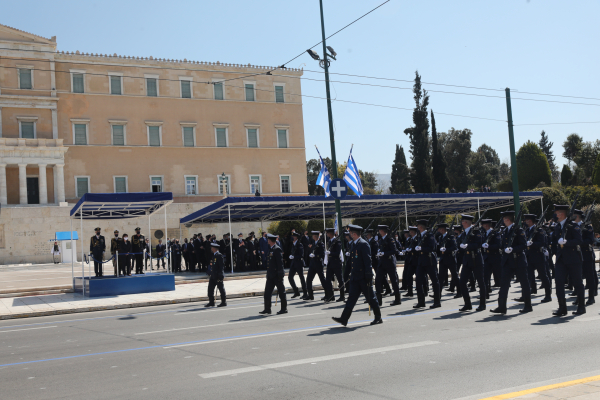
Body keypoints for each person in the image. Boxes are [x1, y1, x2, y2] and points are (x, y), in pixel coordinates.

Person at [332, 224, 382, 327]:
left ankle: (378, 317)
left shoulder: (364, 244)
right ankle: (344, 319)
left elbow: (368, 261)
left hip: (363, 278)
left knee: (371, 298)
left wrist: (369, 276)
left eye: (350, 233)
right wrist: (348, 274)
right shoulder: (353, 244)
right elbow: (352, 261)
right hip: (355, 277)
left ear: (354, 234)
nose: (349, 235)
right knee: (351, 298)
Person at [490, 210, 532, 315]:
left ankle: (528, 305)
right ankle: (501, 307)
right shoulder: (505, 231)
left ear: (508, 220)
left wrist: (512, 249)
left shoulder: (519, 230)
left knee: (524, 283)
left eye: (504, 219)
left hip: (518, 260)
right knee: (504, 284)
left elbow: (523, 245)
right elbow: (502, 244)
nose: (503, 221)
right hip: (507, 261)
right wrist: (504, 248)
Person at [457, 215, 486, 312]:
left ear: (466, 222)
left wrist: (468, 245)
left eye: (463, 221)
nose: (461, 223)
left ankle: (482, 304)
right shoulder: (464, 233)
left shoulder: (476, 231)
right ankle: (468, 304)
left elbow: (478, 244)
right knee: (462, 282)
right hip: (467, 260)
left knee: (481, 283)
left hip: (476, 259)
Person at [523, 214, 552, 303]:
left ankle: (548, 295)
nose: (525, 222)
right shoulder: (527, 230)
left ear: (530, 221)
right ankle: (526, 294)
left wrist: (532, 244)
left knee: (543, 276)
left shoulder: (539, 231)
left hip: (538, 256)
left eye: (527, 220)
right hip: (529, 256)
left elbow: (542, 243)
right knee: (528, 276)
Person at [413, 220, 441, 309]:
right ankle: (421, 302)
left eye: (417, 226)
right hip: (421, 261)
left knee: (434, 281)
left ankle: (437, 302)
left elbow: (433, 247)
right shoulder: (419, 235)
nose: (417, 227)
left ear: (420, 227)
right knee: (418, 281)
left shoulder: (430, 235)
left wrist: (422, 248)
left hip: (429, 261)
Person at [574, 210, 597, 306]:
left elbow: (590, 240)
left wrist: (579, 241)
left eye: (574, 215)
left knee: (589, 277)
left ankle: (591, 297)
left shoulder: (588, 227)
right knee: (577, 278)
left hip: (586, 254)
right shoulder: (572, 226)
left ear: (578, 216)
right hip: (576, 255)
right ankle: (579, 298)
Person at [259, 234, 287, 315]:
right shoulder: (270, 249)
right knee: (267, 292)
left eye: (268, 240)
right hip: (271, 275)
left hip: (277, 275)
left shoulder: (277, 249)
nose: (267, 241)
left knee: (282, 292)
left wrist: (280, 274)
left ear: (270, 241)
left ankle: (284, 309)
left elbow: (280, 263)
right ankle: (267, 309)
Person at [375, 225, 401, 306]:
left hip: (389, 262)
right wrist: (379, 253)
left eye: (380, 230)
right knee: (377, 280)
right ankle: (378, 301)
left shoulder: (390, 239)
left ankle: (397, 299)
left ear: (382, 231)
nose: (379, 232)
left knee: (394, 281)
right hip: (382, 263)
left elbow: (394, 251)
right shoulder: (381, 240)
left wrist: (384, 253)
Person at [304, 231, 334, 302]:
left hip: (318, 264)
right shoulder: (314, 243)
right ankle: (310, 295)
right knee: (308, 279)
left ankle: (327, 294)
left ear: (316, 236)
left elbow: (322, 254)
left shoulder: (321, 243)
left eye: (313, 235)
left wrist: (315, 255)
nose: (312, 236)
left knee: (322, 280)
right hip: (312, 264)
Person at [437, 223, 459, 297]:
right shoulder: (440, 237)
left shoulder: (451, 237)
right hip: (443, 259)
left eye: (439, 229)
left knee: (455, 276)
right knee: (440, 277)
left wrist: (446, 249)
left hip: (450, 259)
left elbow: (454, 247)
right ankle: (438, 294)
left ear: (442, 229)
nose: (438, 230)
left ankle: (459, 292)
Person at [324, 228, 346, 303]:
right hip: (330, 263)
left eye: (327, 233)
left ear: (330, 233)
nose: (327, 234)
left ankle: (342, 296)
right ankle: (331, 296)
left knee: (340, 280)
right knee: (327, 280)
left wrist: (330, 253)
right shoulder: (330, 241)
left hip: (336, 263)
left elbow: (337, 253)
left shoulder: (337, 241)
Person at [205, 243, 227, 307]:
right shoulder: (214, 255)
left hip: (218, 275)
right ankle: (211, 302)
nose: (211, 249)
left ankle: (223, 302)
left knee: (221, 289)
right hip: (213, 275)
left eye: (212, 248)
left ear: (214, 248)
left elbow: (221, 266)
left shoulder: (219, 255)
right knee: (210, 289)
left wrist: (220, 275)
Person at [288, 232, 307, 298]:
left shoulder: (299, 245)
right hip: (294, 263)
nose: (292, 237)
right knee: (290, 277)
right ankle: (296, 292)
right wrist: (291, 256)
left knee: (301, 278)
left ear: (296, 238)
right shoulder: (293, 244)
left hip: (299, 263)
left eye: (294, 236)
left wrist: (294, 257)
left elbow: (301, 255)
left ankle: (305, 293)